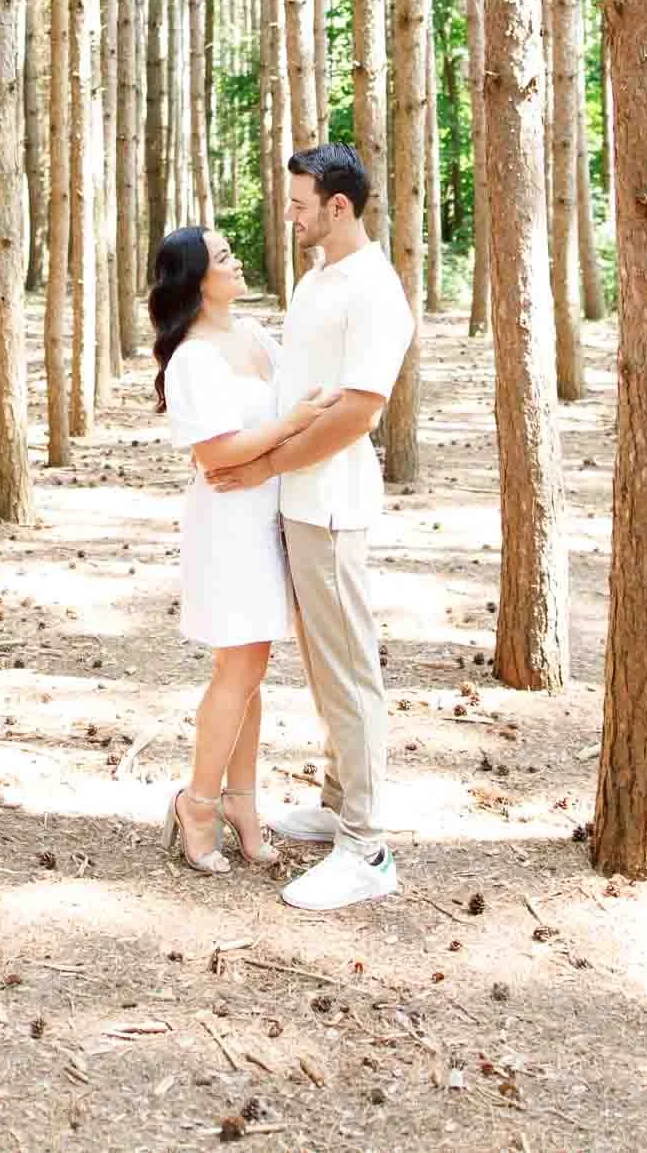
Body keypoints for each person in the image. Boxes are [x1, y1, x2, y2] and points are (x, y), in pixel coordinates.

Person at [205, 144, 416, 911]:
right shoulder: (318, 277)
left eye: (299, 205)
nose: (287, 215)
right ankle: (336, 805)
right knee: (325, 669)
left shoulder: (374, 291)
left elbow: (360, 411)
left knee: (349, 671)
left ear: (337, 207)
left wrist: (264, 467)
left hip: (331, 504)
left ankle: (368, 848)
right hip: (295, 500)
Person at [152, 224, 340, 877]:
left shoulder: (255, 334)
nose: (237, 261)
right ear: (196, 280)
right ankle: (197, 804)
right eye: (223, 256)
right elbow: (216, 455)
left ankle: (242, 804)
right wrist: (289, 426)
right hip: (228, 524)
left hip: (271, 515)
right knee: (238, 670)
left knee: (251, 670)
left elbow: (305, 396)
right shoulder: (193, 359)